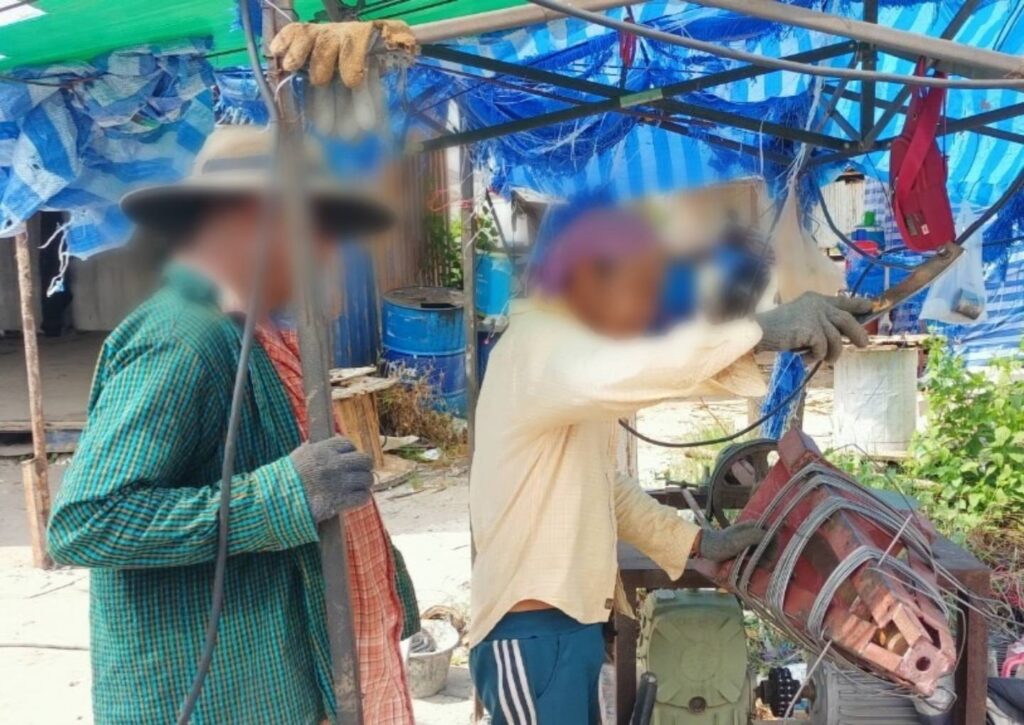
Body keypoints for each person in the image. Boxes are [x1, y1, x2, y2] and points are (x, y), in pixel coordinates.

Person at [48, 125, 418, 724]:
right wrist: (284, 494)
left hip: (281, 679)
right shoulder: (183, 337)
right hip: (216, 701)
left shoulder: (257, 331)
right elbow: (88, 522)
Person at [468, 204, 872, 724]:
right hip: (531, 635)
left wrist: (697, 542)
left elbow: (604, 486)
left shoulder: (564, 360)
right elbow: (649, 362)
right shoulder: (535, 346)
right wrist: (764, 329)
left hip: (564, 631)